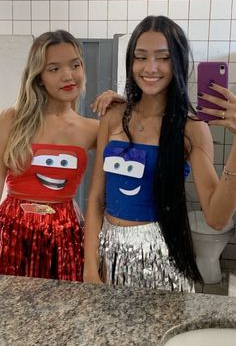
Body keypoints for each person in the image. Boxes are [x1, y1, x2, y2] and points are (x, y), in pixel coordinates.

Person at [83, 15, 236, 291]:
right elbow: (95, 197)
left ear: (177, 61)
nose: (150, 67)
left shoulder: (191, 128)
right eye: (140, 57)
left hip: (162, 256)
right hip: (109, 252)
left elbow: (216, 217)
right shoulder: (113, 116)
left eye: (163, 57)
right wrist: (89, 264)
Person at [0, 29, 123, 281]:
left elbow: (141, 141)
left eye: (75, 65)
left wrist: (125, 107)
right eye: (54, 69)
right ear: (39, 77)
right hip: (10, 234)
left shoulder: (93, 129)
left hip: (65, 238)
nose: (68, 76)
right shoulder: (11, 120)